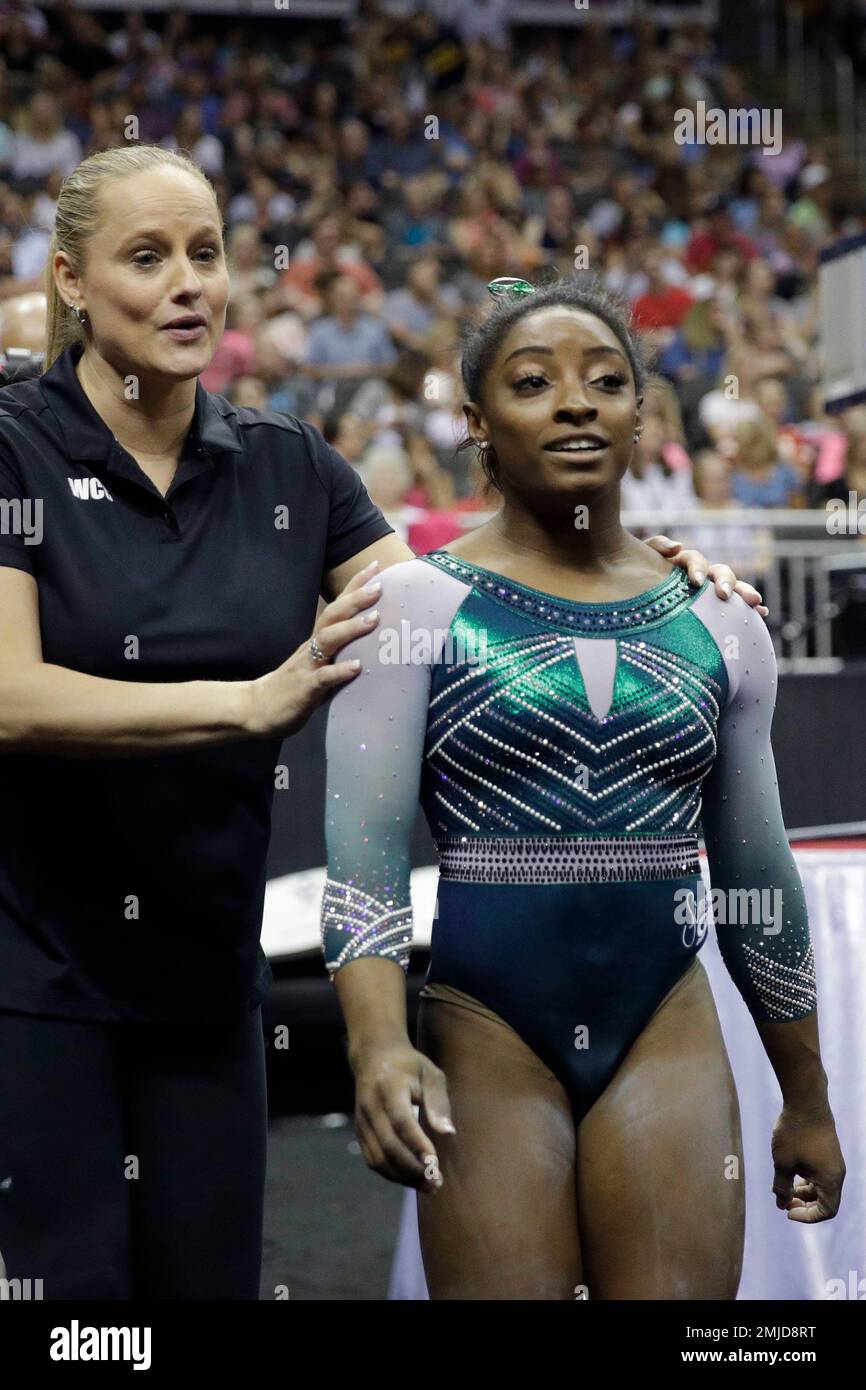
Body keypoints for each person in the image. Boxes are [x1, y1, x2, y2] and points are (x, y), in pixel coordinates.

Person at [0, 145, 765, 1301]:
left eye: (205, 255)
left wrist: (622, 566)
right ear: (69, 279)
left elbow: (460, 611)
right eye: (145, 258)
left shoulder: (288, 467)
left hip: (209, 980)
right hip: (33, 977)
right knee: (73, 1315)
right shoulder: (14, 444)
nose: (188, 284)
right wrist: (248, 701)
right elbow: (7, 694)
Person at [318, 276, 844, 1300]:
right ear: (475, 419)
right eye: (531, 382)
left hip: (665, 1024)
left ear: (640, 413)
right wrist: (377, 1043)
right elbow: (366, 859)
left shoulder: (722, 620)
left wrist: (806, 1094)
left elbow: (755, 876)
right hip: (485, 1028)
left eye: (605, 381)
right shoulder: (409, 607)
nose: (574, 402)